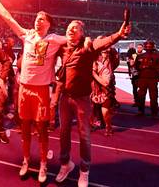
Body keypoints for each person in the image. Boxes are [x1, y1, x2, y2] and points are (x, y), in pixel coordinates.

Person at [0, 0, 67, 183]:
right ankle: (25, 161)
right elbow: (8, 19)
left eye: (42, 19)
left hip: (41, 91)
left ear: (49, 24)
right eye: (36, 18)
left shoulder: (54, 39)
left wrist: (105, 39)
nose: (37, 21)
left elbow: (75, 40)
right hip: (24, 89)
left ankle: (42, 164)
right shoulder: (27, 36)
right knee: (24, 128)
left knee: (41, 129)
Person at [55, 21, 129, 187]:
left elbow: (103, 42)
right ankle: (65, 164)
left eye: (76, 28)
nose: (71, 29)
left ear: (82, 33)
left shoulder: (88, 47)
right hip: (65, 99)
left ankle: (84, 171)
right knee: (63, 134)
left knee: (84, 137)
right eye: (69, 27)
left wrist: (118, 34)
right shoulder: (62, 47)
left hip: (82, 99)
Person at [90, 47, 120, 134]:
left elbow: (105, 83)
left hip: (105, 89)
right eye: (103, 52)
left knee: (105, 109)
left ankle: (108, 126)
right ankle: (93, 124)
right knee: (91, 108)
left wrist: (94, 74)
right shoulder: (95, 62)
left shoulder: (107, 65)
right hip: (93, 89)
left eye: (106, 52)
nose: (105, 54)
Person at [135, 40, 159, 117]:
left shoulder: (158, 56)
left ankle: (153, 112)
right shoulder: (140, 56)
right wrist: (142, 68)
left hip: (152, 78)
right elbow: (136, 66)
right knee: (143, 96)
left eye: (149, 46)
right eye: (147, 46)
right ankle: (142, 111)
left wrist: (152, 67)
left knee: (153, 96)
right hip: (143, 78)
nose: (148, 47)